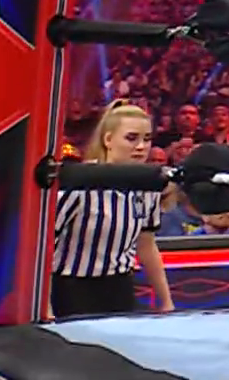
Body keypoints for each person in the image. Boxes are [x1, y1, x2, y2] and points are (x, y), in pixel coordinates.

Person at [51, 102, 174, 319]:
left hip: (120, 286)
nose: (141, 147)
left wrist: (166, 301)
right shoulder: (80, 184)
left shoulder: (148, 185)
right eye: (131, 138)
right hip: (72, 289)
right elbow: (43, 248)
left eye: (147, 139)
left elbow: (146, 243)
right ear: (108, 140)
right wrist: (46, 308)